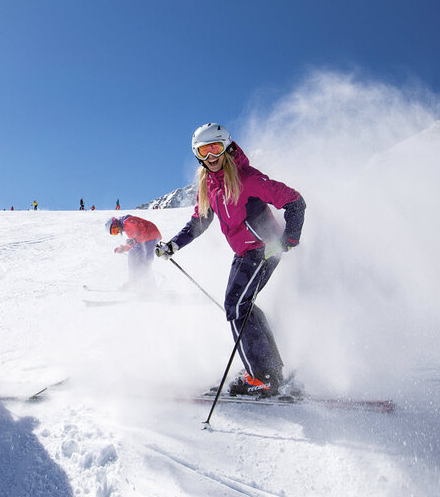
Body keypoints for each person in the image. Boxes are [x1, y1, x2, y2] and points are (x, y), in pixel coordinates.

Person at [155, 123, 306, 397]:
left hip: (264, 248)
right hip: (244, 253)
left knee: (236, 305)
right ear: (198, 154)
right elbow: (201, 220)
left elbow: (295, 201)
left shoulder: (247, 178)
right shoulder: (210, 185)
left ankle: (263, 375)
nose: (211, 156)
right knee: (241, 306)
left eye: (215, 148)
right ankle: (268, 368)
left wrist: (289, 238)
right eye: (204, 150)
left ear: (225, 146)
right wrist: (174, 245)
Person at [107, 215, 162, 290]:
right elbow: (134, 242)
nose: (117, 231)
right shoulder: (126, 226)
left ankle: (136, 283)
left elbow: (142, 231)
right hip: (150, 237)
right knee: (144, 263)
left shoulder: (128, 222)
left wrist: (134, 240)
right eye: (114, 233)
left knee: (135, 257)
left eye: (114, 229)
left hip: (149, 236)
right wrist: (123, 248)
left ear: (115, 223)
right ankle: (148, 287)